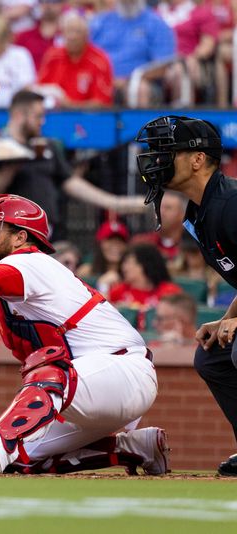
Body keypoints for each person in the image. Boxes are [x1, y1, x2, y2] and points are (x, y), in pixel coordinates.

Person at [0, 193, 167, 475]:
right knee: (18, 462)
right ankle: (134, 448)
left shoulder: (32, 262)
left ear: (21, 237)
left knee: (45, 374)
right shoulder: (11, 294)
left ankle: (2, 440)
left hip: (121, 371)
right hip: (90, 386)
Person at [135, 115, 237, 475]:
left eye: (168, 151)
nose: (157, 159)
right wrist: (227, 320)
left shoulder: (231, 204)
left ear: (197, 159)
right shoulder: (200, 212)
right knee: (213, 357)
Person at [0, 90, 146, 238]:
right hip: (13, 235)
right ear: (19, 115)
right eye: (38, 116)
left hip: (48, 233)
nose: (43, 121)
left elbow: (71, 183)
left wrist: (116, 203)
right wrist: (3, 180)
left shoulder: (46, 146)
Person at [90, 0, 176, 105]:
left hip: (137, 82)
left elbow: (163, 65)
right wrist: (106, 79)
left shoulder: (156, 23)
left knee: (139, 89)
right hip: (100, 80)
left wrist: (130, 79)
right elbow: (87, 53)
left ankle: (138, 121)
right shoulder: (101, 22)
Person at [36, 12, 114, 108]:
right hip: (52, 115)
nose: (72, 36)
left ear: (87, 35)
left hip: (87, 118)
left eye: (77, 32)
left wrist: (70, 105)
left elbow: (102, 104)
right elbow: (39, 91)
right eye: (69, 31)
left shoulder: (99, 60)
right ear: (63, 34)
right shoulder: (52, 56)